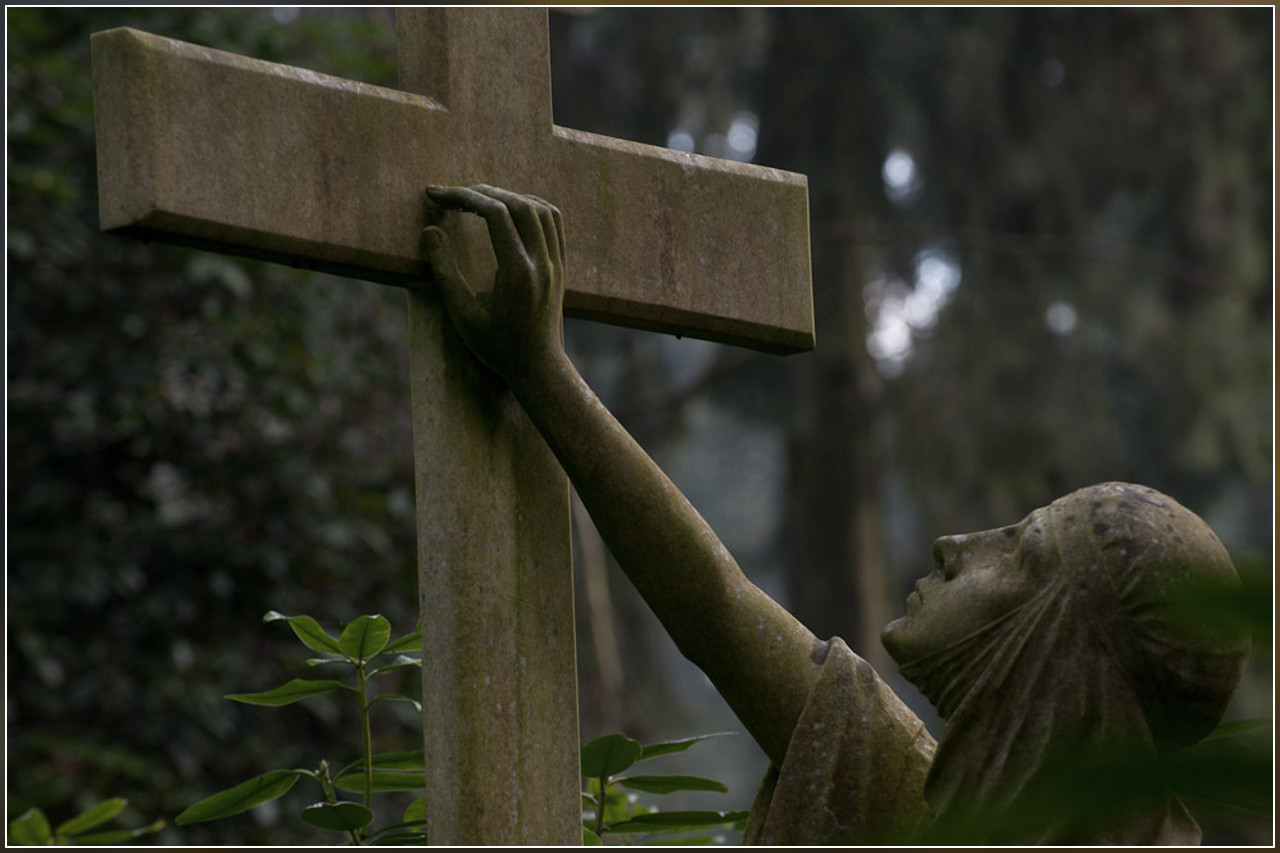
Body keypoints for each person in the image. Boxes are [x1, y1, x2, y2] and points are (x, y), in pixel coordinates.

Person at [417, 185, 1251, 845]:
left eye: (1020, 553)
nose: (959, 544)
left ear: (1063, 663)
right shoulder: (910, 805)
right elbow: (716, 606)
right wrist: (540, 370)